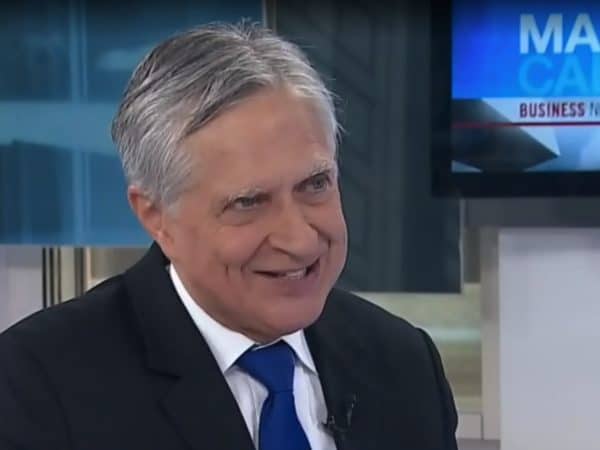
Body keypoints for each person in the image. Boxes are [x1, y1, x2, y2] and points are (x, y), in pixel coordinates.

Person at [0, 22, 458, 450]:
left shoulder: (404, 365)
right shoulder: (37, 386)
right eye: (249, 202)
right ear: (156, 216)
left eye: (315, 184)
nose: (300, 240)